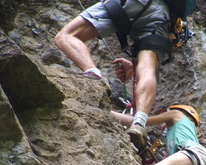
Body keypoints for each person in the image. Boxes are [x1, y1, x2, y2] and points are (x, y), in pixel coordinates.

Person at [55, 0, 172, 151]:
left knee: (66, 35)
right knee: (147, 69)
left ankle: (93, 74)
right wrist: (133, 67)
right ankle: (139, 124)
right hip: (161, 11)